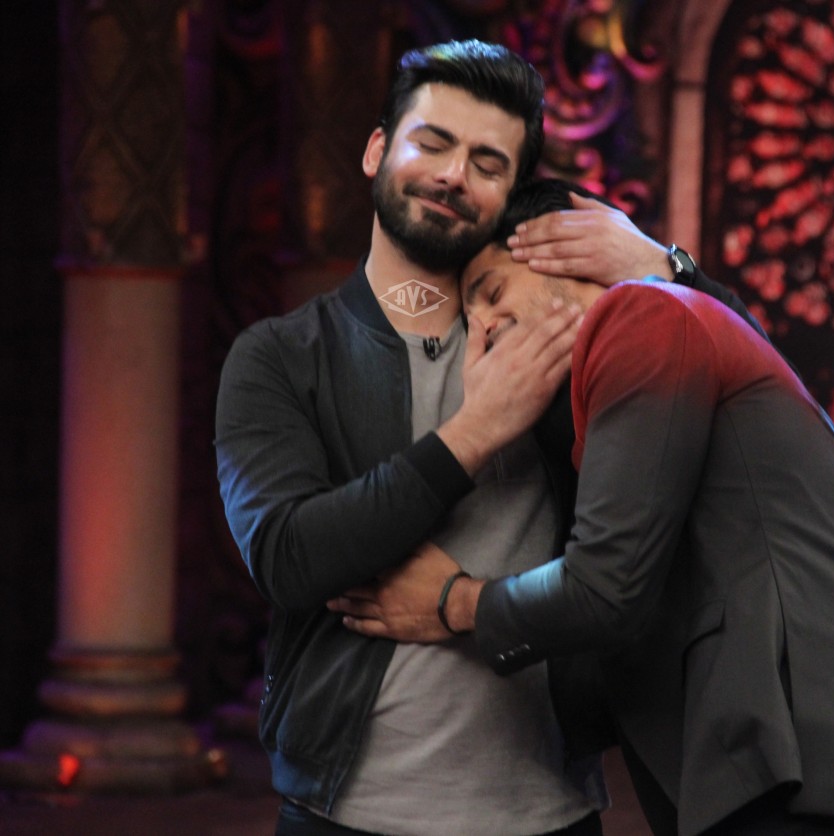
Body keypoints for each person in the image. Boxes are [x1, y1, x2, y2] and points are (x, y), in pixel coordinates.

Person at [216, 40, 754, 836]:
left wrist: (664, 265)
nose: (452, 175)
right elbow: (288, 559)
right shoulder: (283, 356)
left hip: (548, 809)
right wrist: (475, 432)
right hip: (345, 812)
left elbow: (753, 401)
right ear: (376, 151)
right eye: (432, 144)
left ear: (509, 198)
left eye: (486, 163)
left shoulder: (560, 329)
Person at [331, 179, 834, 836]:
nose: (483, 329)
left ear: (562, 252)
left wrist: (453, 602)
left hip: (812, 769)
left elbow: (605, 587)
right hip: (804, 775)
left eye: (491, 293)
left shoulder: (644, 313)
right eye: (469, 322)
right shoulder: (647, 360)